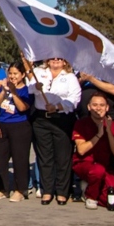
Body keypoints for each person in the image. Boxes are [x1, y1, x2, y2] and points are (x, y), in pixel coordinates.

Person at [30, 58, 81, 206]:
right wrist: (35, 87)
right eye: (52, 58)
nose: (56, 60)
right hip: (41, 120)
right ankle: (47, 190)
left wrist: (58, 106)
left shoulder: (70, 78)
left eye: (59, 58)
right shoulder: (39, 72)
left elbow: (74, 99)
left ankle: (62, 192)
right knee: (45, 157)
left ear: (65, 61)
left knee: (63, 157)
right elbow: (29, 88)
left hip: (61, 119)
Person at [0, 62, 34, 201]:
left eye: (15, 74)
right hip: (2, 124)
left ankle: (20, 189)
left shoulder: (27, 90)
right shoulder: (5, 88)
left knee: (19, 159)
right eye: (10, 73)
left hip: (19, 126)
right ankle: (2, 188)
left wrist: (14, 93)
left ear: (22, 75)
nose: (12, 76)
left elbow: (22, 107)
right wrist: (5, 91)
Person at [72, 94, 114, 210]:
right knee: (97, 170)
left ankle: (89, 187)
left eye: (101, 105)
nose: (98, 108)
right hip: (84, 163)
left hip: (104, 166)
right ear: (89, 107)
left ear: (107, 108)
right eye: (94, 105)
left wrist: (108, 131)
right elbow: (81, 150)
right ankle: (91, 197)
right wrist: (98, 135)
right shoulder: (81, 123)